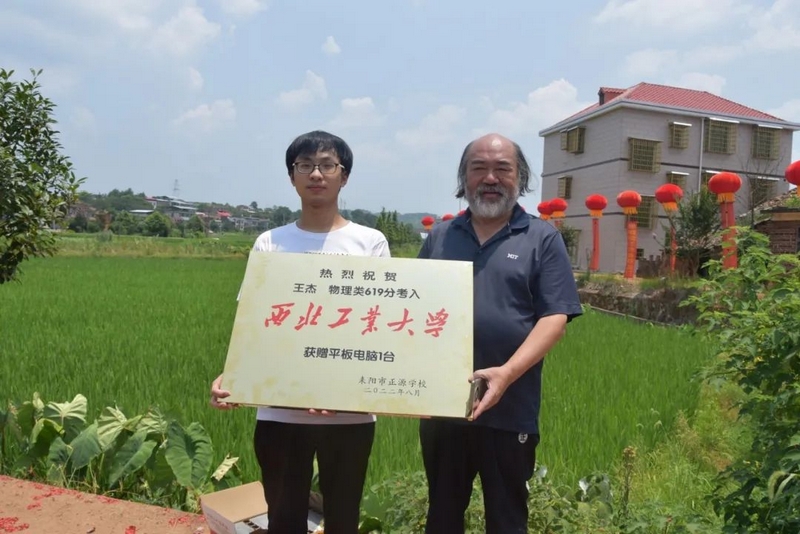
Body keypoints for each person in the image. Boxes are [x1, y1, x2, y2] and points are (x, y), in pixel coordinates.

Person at [210, 130, 391, 534]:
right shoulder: (270, 242)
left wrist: (336, 389)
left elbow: (376, 323)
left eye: (327, 165)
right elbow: (255, 321)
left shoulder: (370, 242)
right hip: (279, 412)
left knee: (343, 520)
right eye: (305, 165)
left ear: (344, 176)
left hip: (348, 414)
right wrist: (233, 375)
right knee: (284, 519)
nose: (316, 174)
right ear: (292, 177)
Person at [417, 133, 582, 533]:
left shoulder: (541, 238)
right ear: (464, 178)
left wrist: (506, 373)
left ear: (520, 178)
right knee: (441, 518)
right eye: (479, 168)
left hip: (511, 410)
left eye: (502, 169)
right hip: (444, 410)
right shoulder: (441, 236)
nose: (490, 178)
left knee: (507, 520)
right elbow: (413, 310)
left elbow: (555, 317)